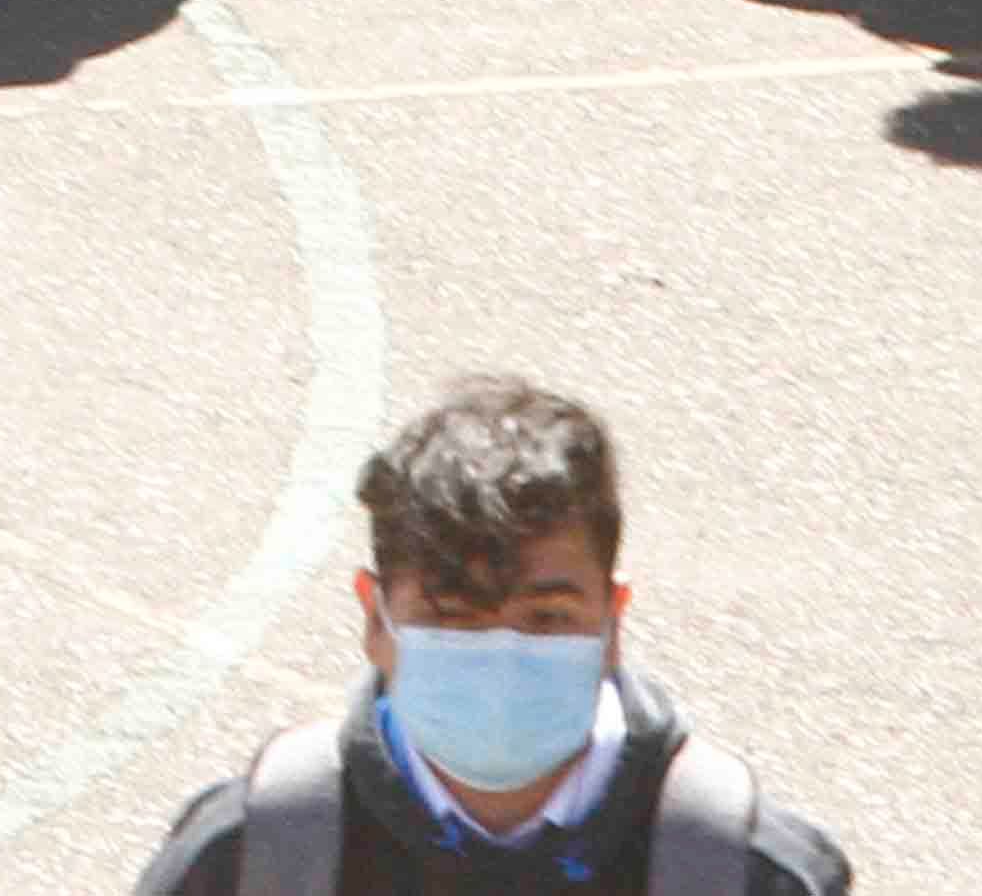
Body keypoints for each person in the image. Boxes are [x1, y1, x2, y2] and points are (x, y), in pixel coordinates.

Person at [125, 381, 852, 896]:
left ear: (612, 617)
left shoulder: (745, 873)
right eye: (455, 615)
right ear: (375, 620)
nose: (503, 653)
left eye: (547, 616)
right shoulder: (253, 858)